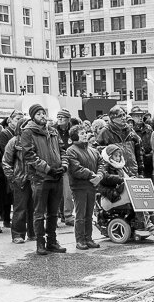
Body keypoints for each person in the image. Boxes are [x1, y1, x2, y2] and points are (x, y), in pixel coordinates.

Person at [18, 104, 68, 255]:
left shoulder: (53, 131)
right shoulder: (28, 132)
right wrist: (47, 169)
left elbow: (62, 150)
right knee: (39, 213)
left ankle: (52, 241)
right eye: (38, 114)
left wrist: (63, 166)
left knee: (54, 213)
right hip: (40, 178)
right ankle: (40, 242)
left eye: (43, 113)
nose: (42, 116)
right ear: (33, 116)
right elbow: (29, 155)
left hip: (57, 176)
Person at [65, 124, 101, 250]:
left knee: (89, 214)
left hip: (91, 185)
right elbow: (76, 169)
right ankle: (80, 239)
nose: (85, 135)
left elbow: (101, 163)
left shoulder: (92, 150)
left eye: (85, 132)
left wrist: (100, 175)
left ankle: (89, 238)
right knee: (80, 215)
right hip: (79, 186)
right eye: (82, 133)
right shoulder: (71, 150)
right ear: (75, 137)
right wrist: (92, 175)